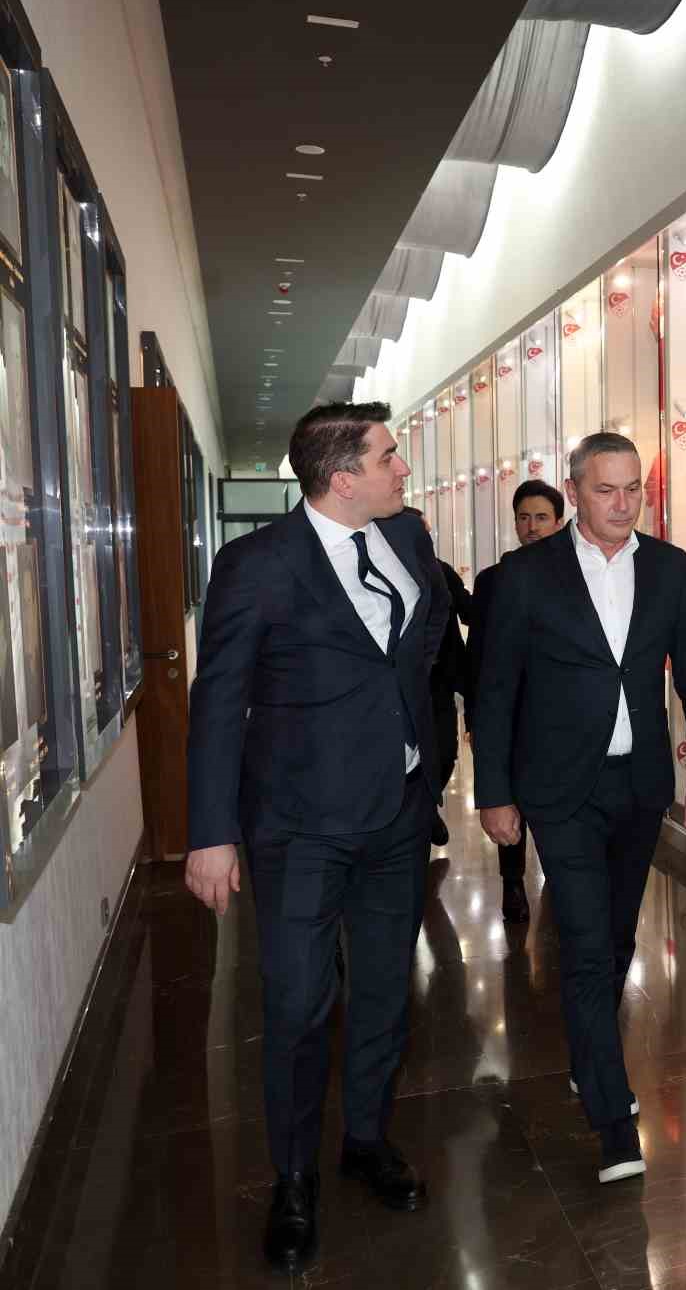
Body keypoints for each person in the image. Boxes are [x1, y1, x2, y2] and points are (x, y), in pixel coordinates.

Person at [185, 403, 446, 1273]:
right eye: (388, 457)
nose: (402, 469)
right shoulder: (257, 565)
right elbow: (218, 701)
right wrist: (211, 833)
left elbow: (422, 642)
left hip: (397, 815)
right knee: (299, 1006)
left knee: (384, 990)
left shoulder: (406, 537)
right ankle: (293, 1179)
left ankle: (366, 1139)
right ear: (342, 478)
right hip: (298, 828)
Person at [473, 432, 686, 1183]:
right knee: (584, 941)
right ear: (575, 490)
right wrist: (494, 793)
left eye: (633, 489)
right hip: (560, 789)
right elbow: (495, 690)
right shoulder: (525, 574)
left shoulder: (668, 567)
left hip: (639, 785)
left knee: (615, 939)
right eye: (606, 489)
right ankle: (613, 1121)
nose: (622, 503)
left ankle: (590, 1058)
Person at [465, 479, 566, 922]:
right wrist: (474, 718)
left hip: (558, 716)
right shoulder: (493, 581)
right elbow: (478, 656)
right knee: (508, 799)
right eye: (524, 518)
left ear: (559, 521)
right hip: (507, 713)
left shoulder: (574, 577)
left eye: (541, 517)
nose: (532, 526)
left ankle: (561, 875)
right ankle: (512, 883)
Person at [409, 507, 471, 849]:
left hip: (441, 680)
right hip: (404, 685)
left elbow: (469, 610)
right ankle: (422, 809)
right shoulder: (387, 573)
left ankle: (428, 802)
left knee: (446, 750)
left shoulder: (441, 571)